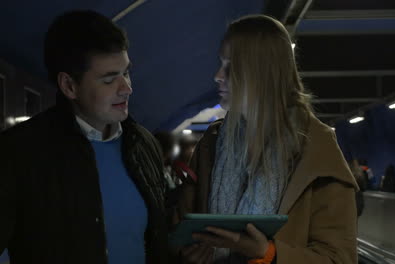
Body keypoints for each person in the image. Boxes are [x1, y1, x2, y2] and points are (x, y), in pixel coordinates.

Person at [177, 15, 359, 264]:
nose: (218, 75)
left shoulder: (317, 150)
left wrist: (269, 255)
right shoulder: (213, 142)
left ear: (260, 72)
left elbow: (341, 258)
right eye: (221, 63)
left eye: (231, 66)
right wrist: (188, 252)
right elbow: (180, 226)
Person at [0, 10, 169, 264]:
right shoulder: (18, 154)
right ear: (69, 86)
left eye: (126, 73)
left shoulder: (143, 145)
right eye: (110, 79)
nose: (127, 88)